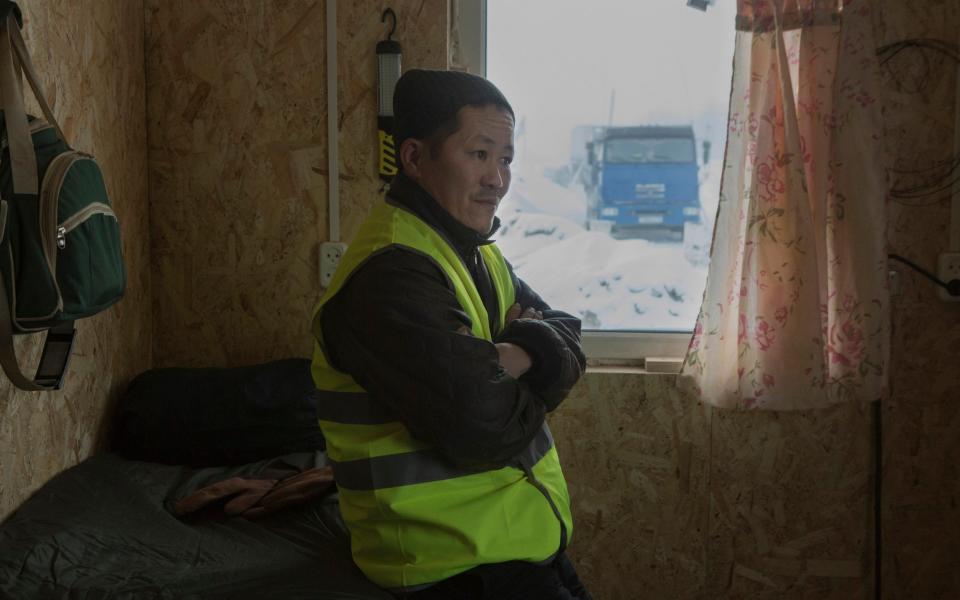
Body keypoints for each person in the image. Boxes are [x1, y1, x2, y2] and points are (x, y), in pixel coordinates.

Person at [310, 69, 589, 599]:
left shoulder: (474, 251)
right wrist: (529, 356)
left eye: (505, 159)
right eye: (478, 154)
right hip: (449, 569)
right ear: (414, 159)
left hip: (519, 548)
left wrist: (516, 357)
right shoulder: (390, 274)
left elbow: (568, 336)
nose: (498, 179)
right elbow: (482, 426)